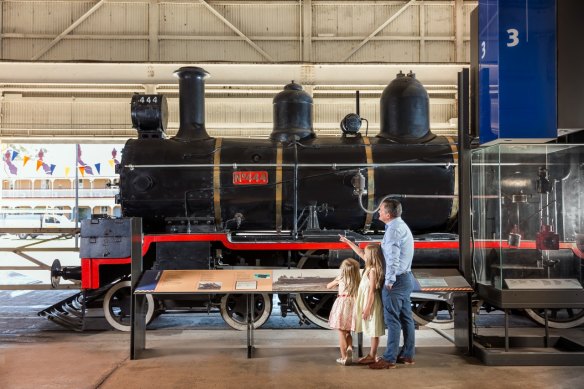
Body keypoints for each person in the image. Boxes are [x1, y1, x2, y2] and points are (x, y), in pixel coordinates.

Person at [369, 198, 416, 369]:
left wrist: (389, 281)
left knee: (393, 320)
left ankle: (389, 359)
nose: (378, 212)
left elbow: (392, 258)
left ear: (388, 214)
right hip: (406, 277)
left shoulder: (393, 231)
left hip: (396, 282)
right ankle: (408, 355)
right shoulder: (400, 226)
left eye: (380, 210)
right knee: (406, 319)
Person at [338, 237, 385, 364]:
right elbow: (359, 252)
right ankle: (371, 355)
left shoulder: (373, 271)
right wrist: (348, 242)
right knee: (371, 328)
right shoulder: (370, 265)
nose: (363, 253)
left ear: (371, 256)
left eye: (366, 253)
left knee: (374, 329)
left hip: (371, 304)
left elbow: (372, 291)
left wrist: (367, 309)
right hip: (366, 302)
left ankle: (373, 356)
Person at [327, 258, 361, 366]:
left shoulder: (340, 278)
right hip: (353, 305)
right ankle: (350, 347)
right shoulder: (357, 279)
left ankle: (344, 357)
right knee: (348, 331)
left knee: (341, 332)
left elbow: (328, 286)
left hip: (342, 305)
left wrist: (336, 282)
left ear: (343, 269)